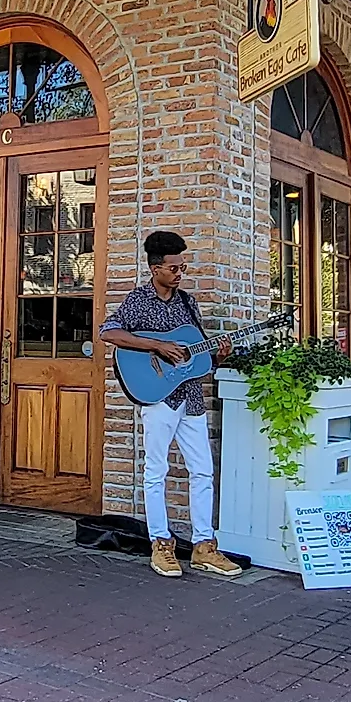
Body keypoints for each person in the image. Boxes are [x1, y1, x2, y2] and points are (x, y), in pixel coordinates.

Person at [99, 230, 239, 580]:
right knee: (156, 470)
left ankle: (204, 545)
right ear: (156, 269)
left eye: (183, 267)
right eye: (174, 268)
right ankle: (161, 543)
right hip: (158, 397)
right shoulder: (139, 300)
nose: (180, 273)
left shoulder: (188, 303)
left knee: (203, 470)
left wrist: (219, 353)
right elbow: (108, 332)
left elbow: (195, 353)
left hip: (190, 396)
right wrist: (155, 347)